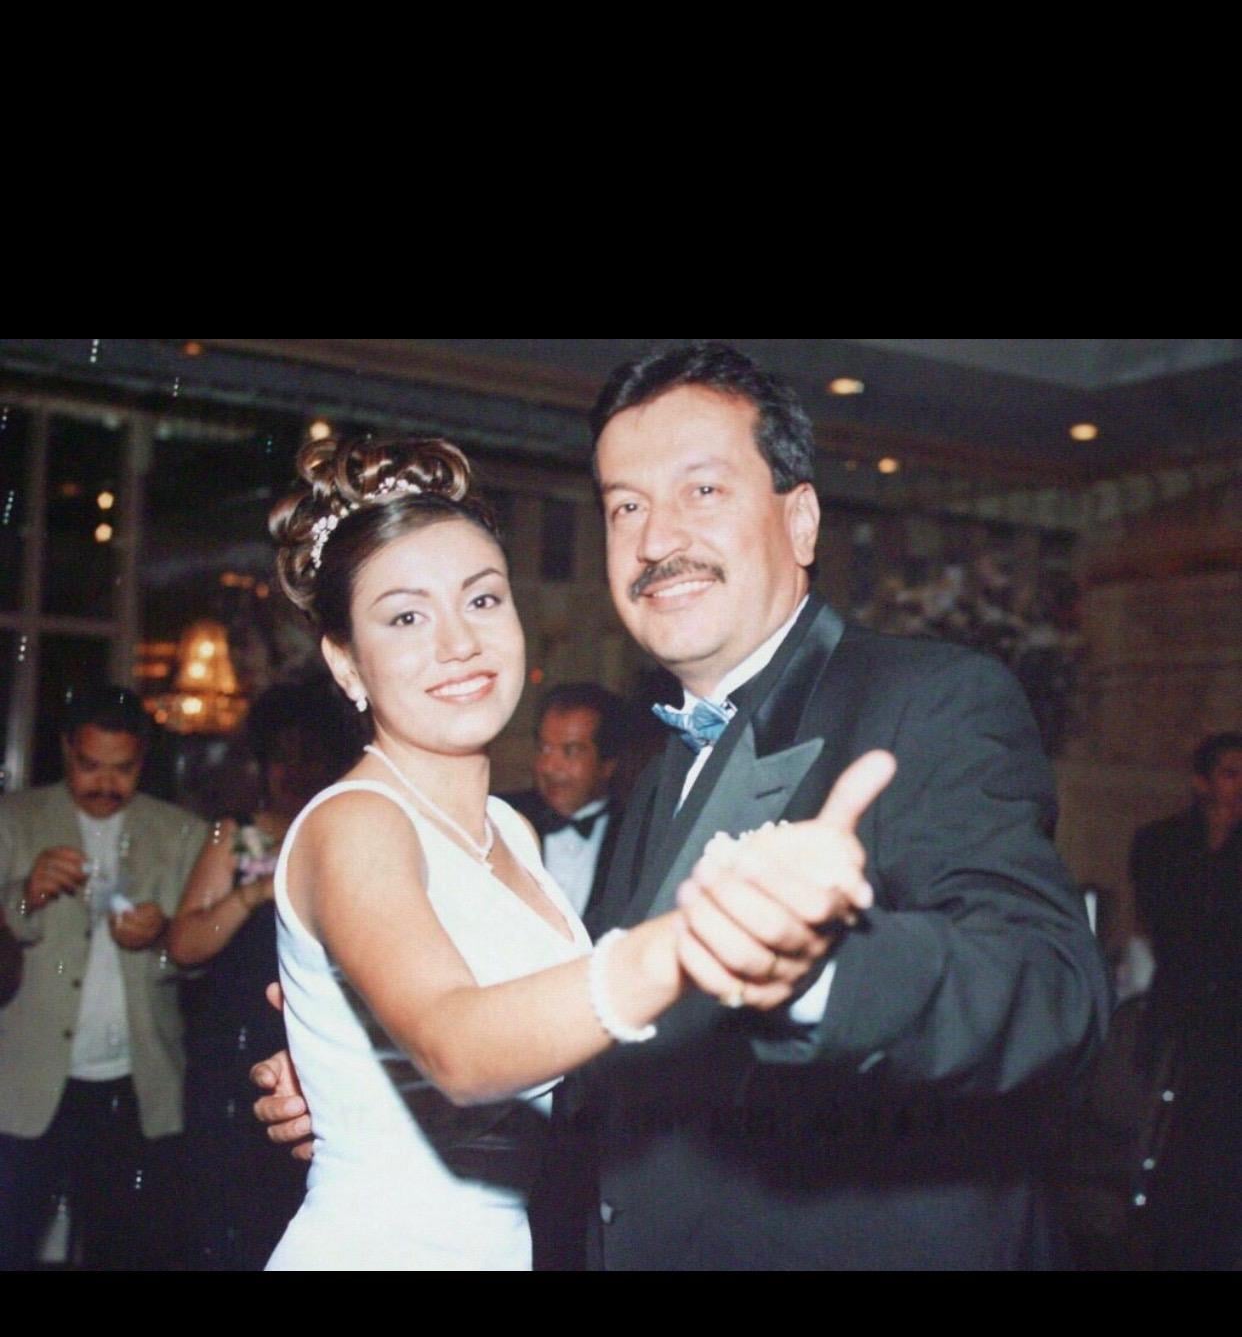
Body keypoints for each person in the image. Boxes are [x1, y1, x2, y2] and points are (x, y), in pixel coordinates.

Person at [258, 342, 1111, 1271]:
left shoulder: (926, 700)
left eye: (701, 490)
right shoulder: (661, 766)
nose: (658, 538)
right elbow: (598, 1047)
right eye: (627, 505)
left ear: (803, 520)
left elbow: (1050, 990)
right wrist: (371, 1079)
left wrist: (820, 972)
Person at [254, 431, 881, 1271]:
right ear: (346, 662)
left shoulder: (510, 830)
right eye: (405, 616)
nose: (458, 643)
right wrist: (697, 932)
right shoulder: (355, 823)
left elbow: (551, 1058)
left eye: (482, 600)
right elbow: (459, 1048)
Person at [0, 685, 207, 1269]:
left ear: (144, 759)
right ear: (66, 749)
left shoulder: (182, 832)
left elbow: (197, 966)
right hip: (24, 1081)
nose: (106, 784)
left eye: (123, 769)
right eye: (90, 765)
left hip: (134, 1083)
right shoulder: (14, 818)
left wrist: (163, 936)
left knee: (126, 1246)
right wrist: (23, 896)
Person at [168, 676, 353, 1269]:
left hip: (311, 1047)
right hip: (233, 1050)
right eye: (282, 759)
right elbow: (186, 945)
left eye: (309, 758)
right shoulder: (235, 833)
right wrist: (252, 895)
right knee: (223, 1215)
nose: (294, 772)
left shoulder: (343, 833)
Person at [1128, 732, 1242, 1269]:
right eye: (1230, 774)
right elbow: (1171, 921)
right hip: (1181, 1013)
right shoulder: (1162, 843)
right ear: (1202, 782)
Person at [504, 682, 628, 923]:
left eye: (571, 751)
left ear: (608, 764)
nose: (549, 767)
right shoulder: (504, 820)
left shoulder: (634, 833)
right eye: (544, 748)